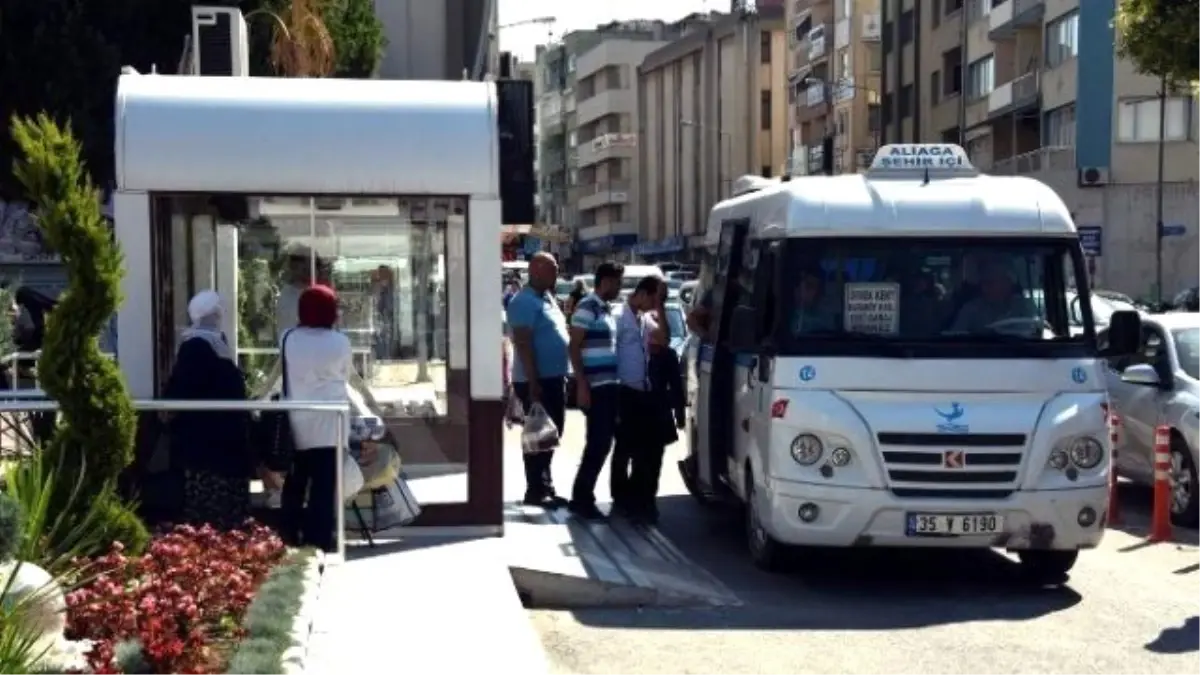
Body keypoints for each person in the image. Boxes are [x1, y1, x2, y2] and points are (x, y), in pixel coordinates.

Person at [163, 291, 253, 528]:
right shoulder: (196, 346)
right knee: (210, 511)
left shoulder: (213, 343)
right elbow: (184, 387)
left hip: (222, 441)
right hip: (206, 444)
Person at [281, 285, 354, 552]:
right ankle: (320, 540)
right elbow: (345, 376)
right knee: (324, 487)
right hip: (331, 423)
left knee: (296, 482)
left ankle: (288, 533)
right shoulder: (341, 342)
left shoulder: (287, 338)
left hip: (298, 421)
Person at [507, 252, 571, 509]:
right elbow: (523, 344)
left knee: (552, 434)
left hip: (555, 377)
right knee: (538, 435)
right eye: (552, 269)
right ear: (536, 270)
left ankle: (546, 485)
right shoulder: (523, 301)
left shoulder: (547, 298)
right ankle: (535, 489)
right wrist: (533, 382)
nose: (557, 273)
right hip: (537, 379)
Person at [621, 278, 686, 524]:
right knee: (637, 458)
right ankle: (633, 503)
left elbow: (676, 385)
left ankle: (647, 503)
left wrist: (678, 413)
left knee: (654, 460)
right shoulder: (634, 324)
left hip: (657, 412)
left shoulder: (665, 351)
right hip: (636, 405)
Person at [566, 262, 624, 520]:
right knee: (598, 444)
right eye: (617, 282)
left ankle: (584, 496)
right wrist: (582, 384)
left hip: (610, 386)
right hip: (595, 388)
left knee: (603, 443)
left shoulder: (607, 309)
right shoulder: (587, 308)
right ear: (606, 282)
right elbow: (574, 346)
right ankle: (581, 498)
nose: (619, 287)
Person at [948, 261, 1038, 335]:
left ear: (1007, 283)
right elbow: (955, 337)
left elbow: (1036, 331)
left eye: (990, 283)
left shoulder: (1025, 305)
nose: (984, 289)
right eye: (982, 284)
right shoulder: (971, 309)